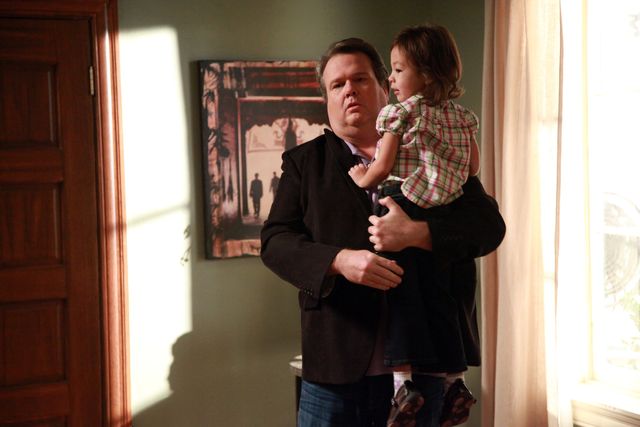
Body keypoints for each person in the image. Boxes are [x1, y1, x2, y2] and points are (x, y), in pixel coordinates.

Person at [261, 37, 505, 427]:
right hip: (334, 370)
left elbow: (489, 227)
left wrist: (418, 233)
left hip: (426, 367)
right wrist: (339, 261)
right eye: (337, 85)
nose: (349, 90)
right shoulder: (303, 164)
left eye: (359, 79)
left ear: (384, 87)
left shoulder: (435, 148)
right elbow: (275, 243)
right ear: (327, 99)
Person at [347, 24, 481, 426]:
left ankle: (403, 386)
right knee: (445, 298)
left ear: (425, 73)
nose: (391, 78)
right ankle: (456, 381)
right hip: (446, 209)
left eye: (398, 69)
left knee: (402, 297)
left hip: (404, 202)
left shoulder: (399, 112)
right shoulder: (462, 116)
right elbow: (472, 169)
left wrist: (362, 178)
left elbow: (382, 166)